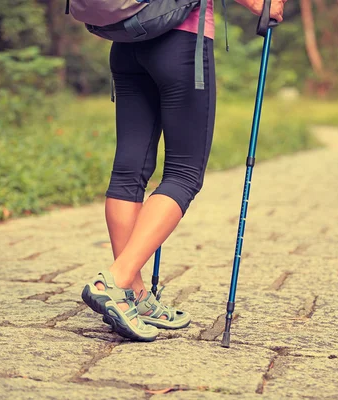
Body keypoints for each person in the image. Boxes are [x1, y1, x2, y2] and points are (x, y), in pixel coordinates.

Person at [81, 0, 288, 342]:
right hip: (180, 43)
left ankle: (134, 295)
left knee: (128, 171)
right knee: (184, 172)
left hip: (127, 40)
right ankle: (115, 280)